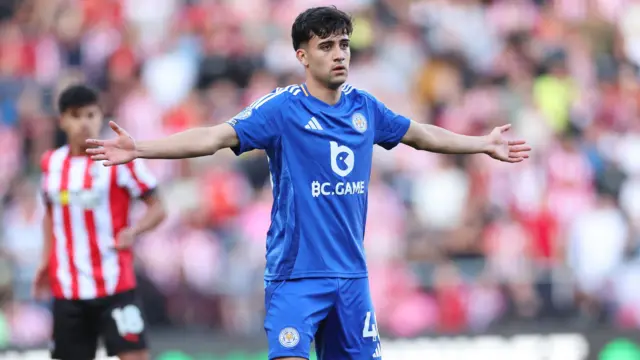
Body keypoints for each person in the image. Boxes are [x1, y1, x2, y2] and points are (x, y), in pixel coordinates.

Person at [87, 6, 531, 360]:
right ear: (302, 56)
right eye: (326, 47)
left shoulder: (366, 108)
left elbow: (421, 134)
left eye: (344, 45)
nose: (339, 54)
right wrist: (140, 148)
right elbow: (215, 137)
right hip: (296, 276)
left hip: (351, 277)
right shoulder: (281, 110)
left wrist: (481, 144)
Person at [35, 84, 166, 360]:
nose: (84, 123)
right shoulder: (51, 164)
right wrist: (45, 261)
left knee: (136, 356)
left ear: (100, 116)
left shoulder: (120, 159)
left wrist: (134, 231)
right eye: (76, 116)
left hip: (115, 285)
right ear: (62, 121)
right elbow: (50, 214)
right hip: (68, 289)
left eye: (91, 115)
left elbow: (158, 208)